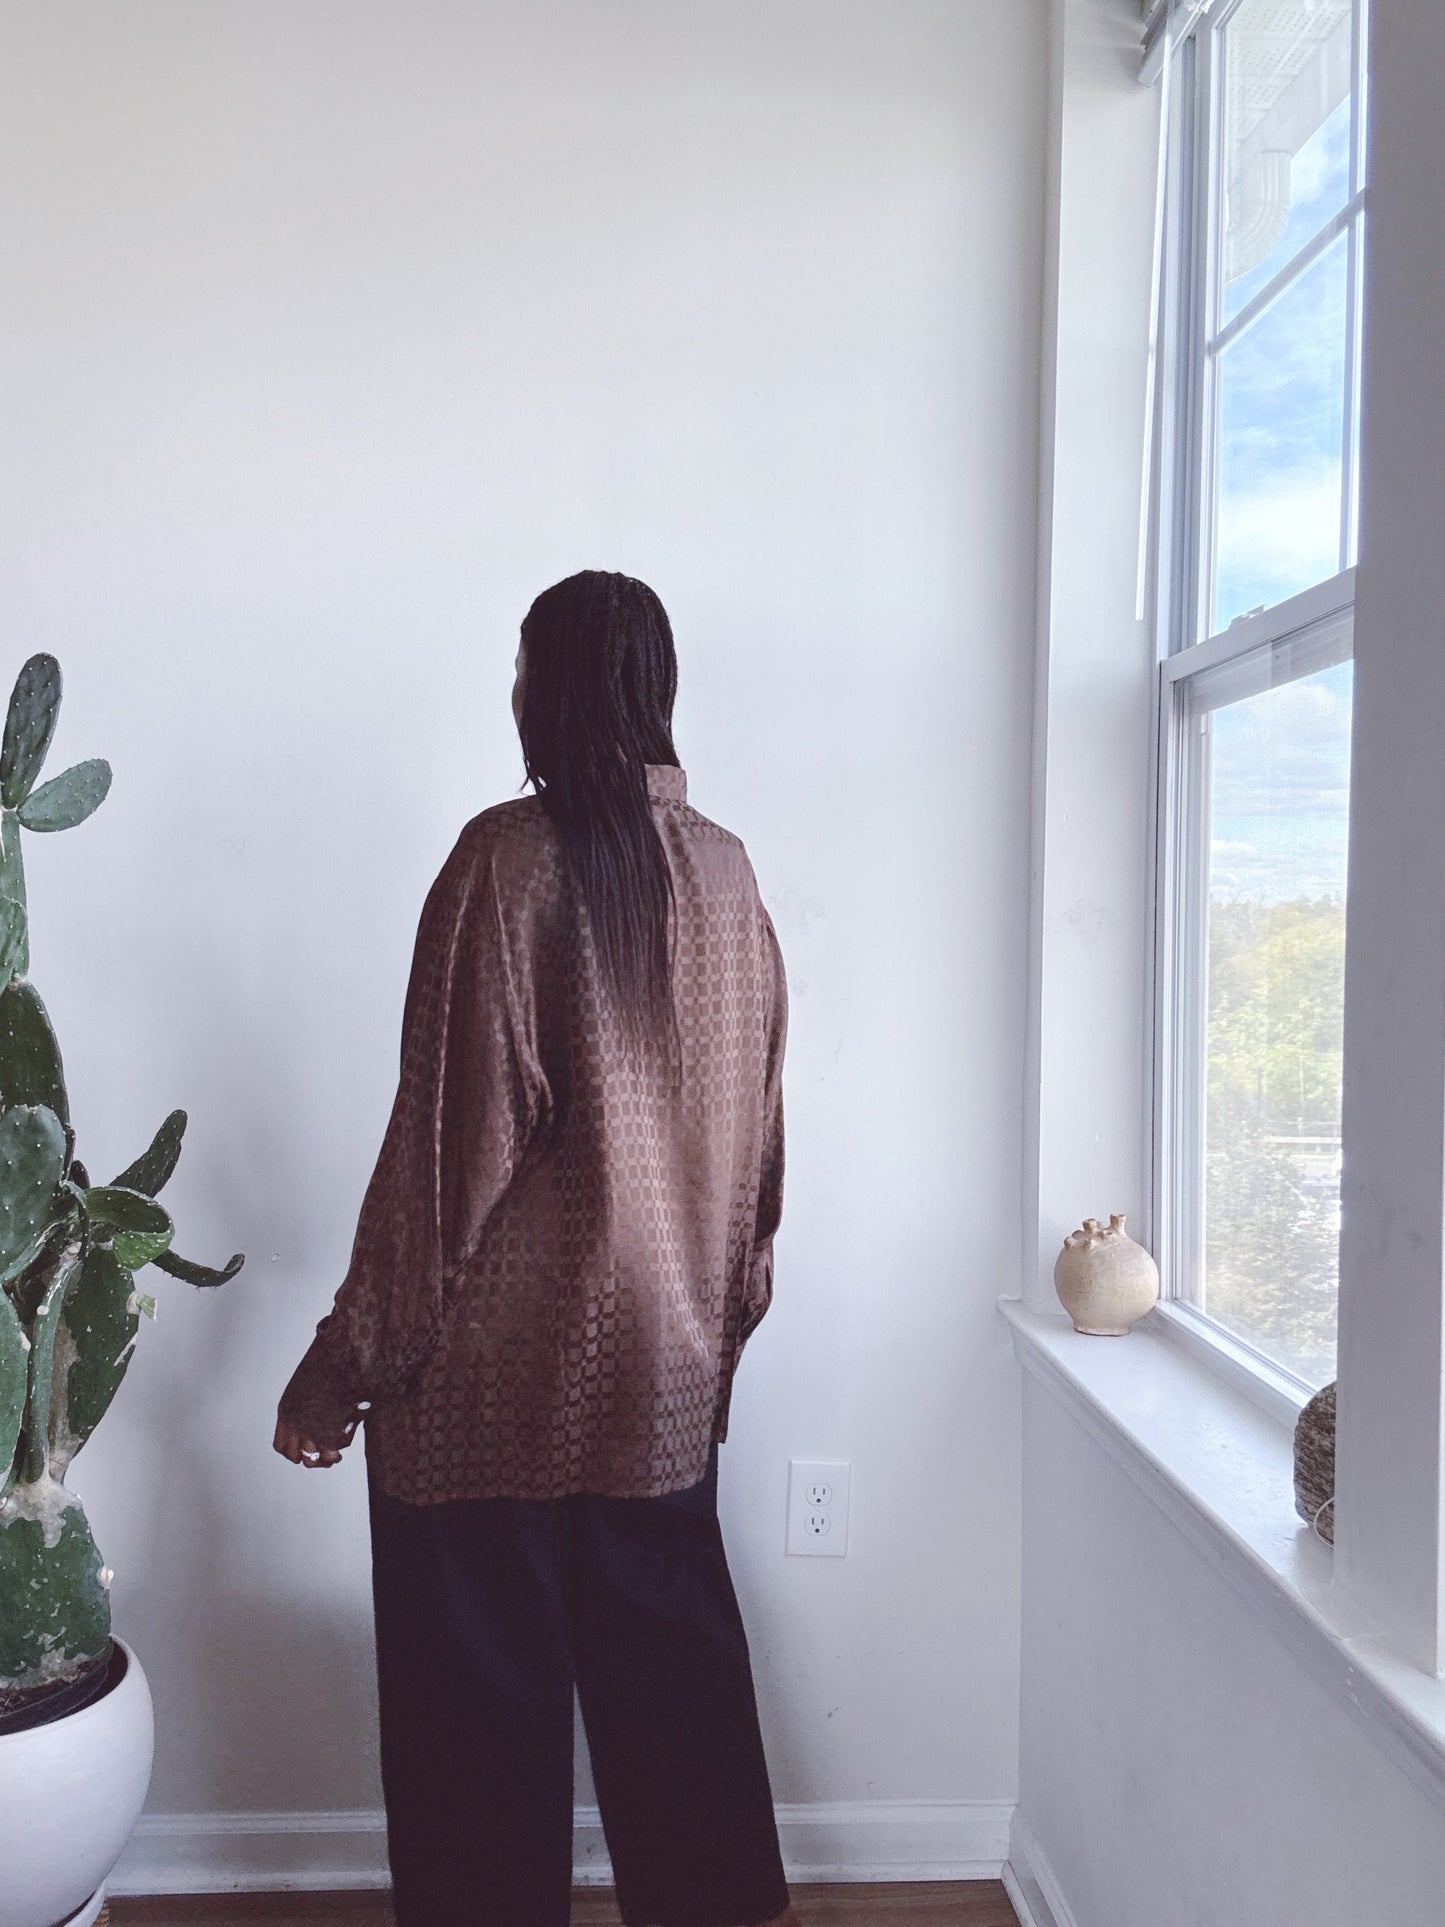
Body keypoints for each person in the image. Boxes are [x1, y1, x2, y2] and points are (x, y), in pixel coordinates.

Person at [274, 569, 799, 1927]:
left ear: (551, 687)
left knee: (473, 1729)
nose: (512, 689)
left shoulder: (503, 864)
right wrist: (714, 1345)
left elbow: (447, 1154)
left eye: (523, 666)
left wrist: (342, 1365)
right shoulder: (729, 872)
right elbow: (758, 1151)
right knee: (678, 1702)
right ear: (655, 689)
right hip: (659, 1385)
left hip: (484, 1394)